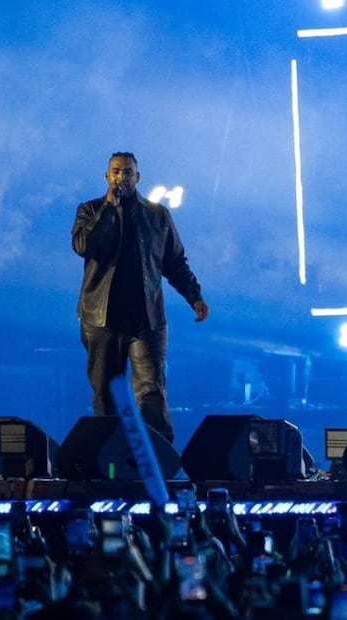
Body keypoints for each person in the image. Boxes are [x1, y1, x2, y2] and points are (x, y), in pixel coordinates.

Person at [72, 152, 209, 443]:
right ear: (107, 177)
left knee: (151, 391)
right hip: (102, 319)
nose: (121, 177)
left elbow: (174, 262)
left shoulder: (158, 215)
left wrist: (194, 296)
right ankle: (108, 456)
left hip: (146, 318)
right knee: (107, 394)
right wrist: (108, 208)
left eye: (127, 172)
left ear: (138, 177)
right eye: (115, 171)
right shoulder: (90, 210)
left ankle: (159, 456)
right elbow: (85, 245)